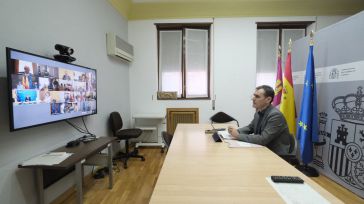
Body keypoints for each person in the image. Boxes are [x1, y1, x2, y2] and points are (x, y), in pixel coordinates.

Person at [228, 85, 291, 155]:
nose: (253, 99)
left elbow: (263, 139)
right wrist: (237, 131)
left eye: (257, 97)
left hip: (275, 154)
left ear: (268, 100)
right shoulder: (258, 112)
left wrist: (238, 136)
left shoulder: (275, 116)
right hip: (262, 149)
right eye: (254, 96)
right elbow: (250, 127)